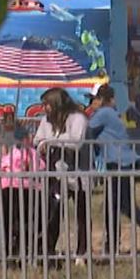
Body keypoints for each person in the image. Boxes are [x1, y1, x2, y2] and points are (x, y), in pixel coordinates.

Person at [86, 84, 140, 256]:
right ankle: (114, 245)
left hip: (119, 162)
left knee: (122, 206)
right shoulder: (110, 113)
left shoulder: (103, 114)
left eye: (92, 100)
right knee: (116, 206)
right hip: (119, 161)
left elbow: (86, 131)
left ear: (101, 100)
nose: (90, 104)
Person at [33, 87, 90, 259]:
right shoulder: (46, 120)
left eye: (47, 104)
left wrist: (51, 141)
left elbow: (76, 141)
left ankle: (82, 253)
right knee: (54, 213)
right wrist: (43, 144)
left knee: (82, 215)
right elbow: (37, 140)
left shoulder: (78, 118)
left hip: (79, 173)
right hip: (56, 175)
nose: (45, 108)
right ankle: (48, 251)